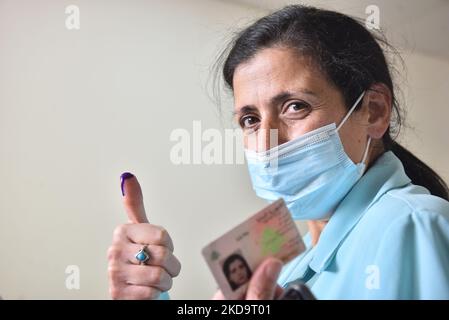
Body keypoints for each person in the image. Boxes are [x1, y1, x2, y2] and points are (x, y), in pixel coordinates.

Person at [107, 5, 449, 300]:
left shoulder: (416, 225)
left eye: (295, 106)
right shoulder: (283, 263)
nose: (267, 142)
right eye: (251, 119)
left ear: (373, 111)